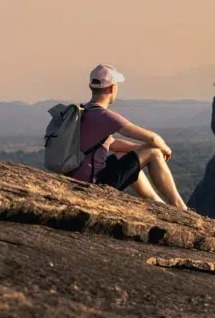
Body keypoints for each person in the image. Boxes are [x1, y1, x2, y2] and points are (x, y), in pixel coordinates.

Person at [70, 63, 188, 210]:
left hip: (78, 178)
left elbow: (111, 144)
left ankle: (159, 204)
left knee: (125, 155)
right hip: (94, 182)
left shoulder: (83, 111)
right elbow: (152, 138)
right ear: (112, 88)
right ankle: (180, 207)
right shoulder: (105, 116)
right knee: (154, 152)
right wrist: (165, 149)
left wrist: (140, 151)